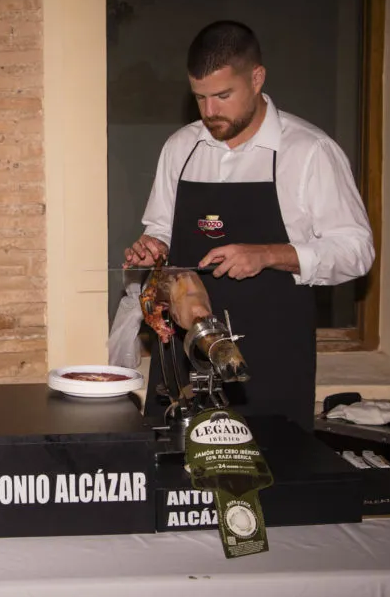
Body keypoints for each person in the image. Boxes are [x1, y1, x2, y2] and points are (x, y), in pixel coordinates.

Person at [125, 21, 374, 431]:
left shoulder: (309, 151)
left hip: (270, 362)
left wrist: (269, 254)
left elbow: (356, 251)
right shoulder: (180, 147)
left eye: (223, 96)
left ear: (257, 78)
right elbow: (161, 229)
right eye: (200, 98)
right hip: (184, 363)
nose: (209, 112)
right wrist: (152, 246)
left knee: (271, 484)